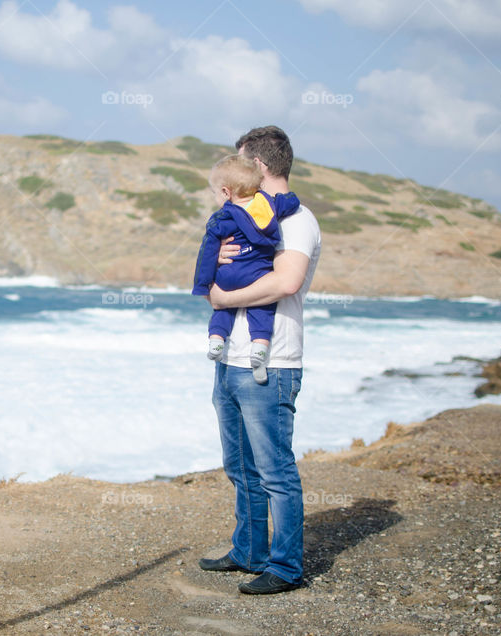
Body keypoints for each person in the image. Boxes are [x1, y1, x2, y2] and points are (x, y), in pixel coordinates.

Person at [197, 126, 322, 595]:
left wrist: (222, 298)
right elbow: (216, 270)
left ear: (261, 168)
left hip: (272, 361)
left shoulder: (296, 220)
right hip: (230, 359)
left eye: (241, 161)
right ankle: (249, 550)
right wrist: (215, 273)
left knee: (275, 471)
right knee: (240, 466)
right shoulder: (243, 215)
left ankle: (286, 567)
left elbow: (286, 282)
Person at [191, 154, 301, 384]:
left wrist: (203, 285)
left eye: (215, 193)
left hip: (229, 274)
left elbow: (207, 253)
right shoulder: (269, 206)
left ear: (226, 192)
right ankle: (259, 347)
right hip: (256, 274)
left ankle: (216, 339)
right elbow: (291, 201)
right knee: (262, 305)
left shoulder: (221, 218)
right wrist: (288, 198)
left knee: (222, 310)